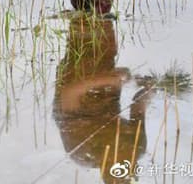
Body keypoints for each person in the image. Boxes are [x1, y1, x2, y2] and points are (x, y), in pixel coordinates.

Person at [53, 15, 152, 183]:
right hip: (106, 93)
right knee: (103, 27)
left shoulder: (80, 148)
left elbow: (68, 93)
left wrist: (109, 79)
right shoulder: (138, 147)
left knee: (84, 32)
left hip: (76, 78)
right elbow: (138, 109)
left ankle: (84, 8)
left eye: (123, 156)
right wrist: (149, 89)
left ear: (106, 163)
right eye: (130, 162)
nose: (127, 150)